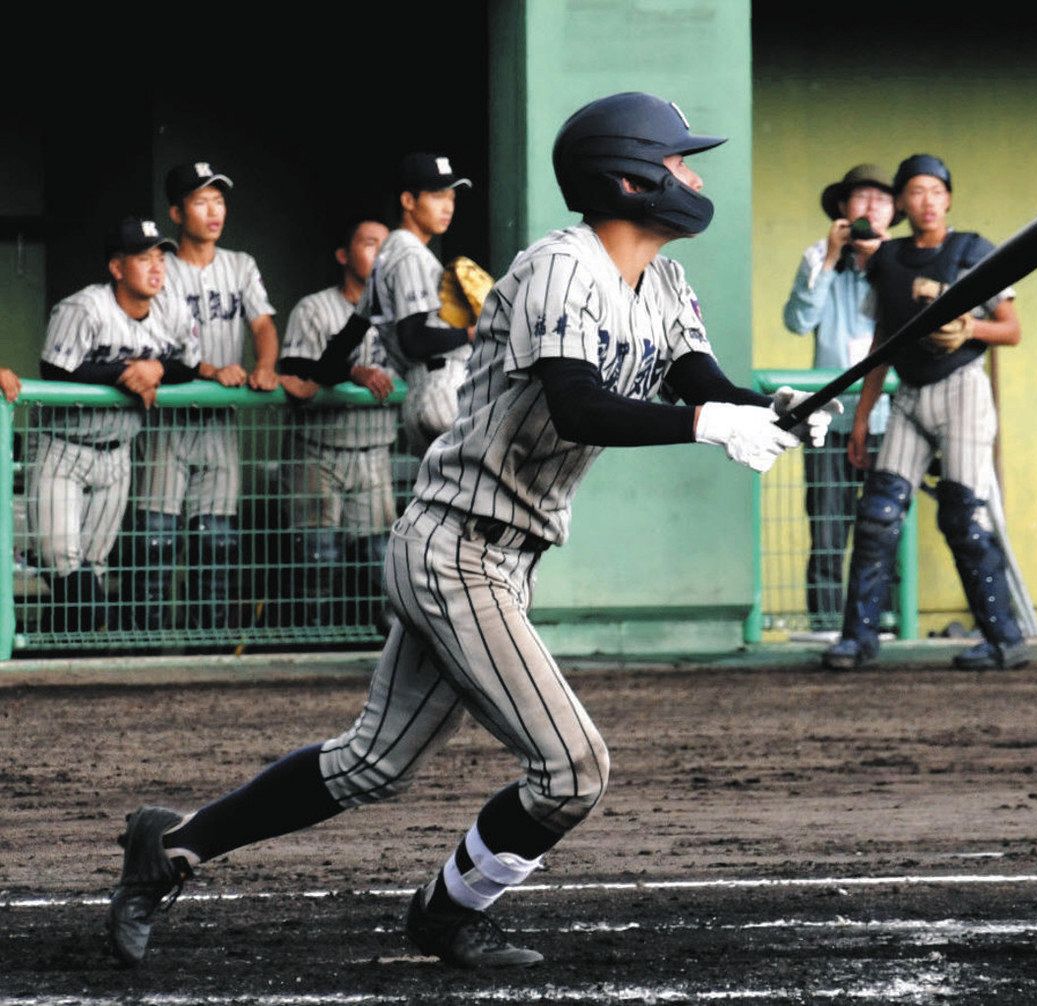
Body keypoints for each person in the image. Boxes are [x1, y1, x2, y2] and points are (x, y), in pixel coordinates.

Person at [105, 91, 835, 971]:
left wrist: (777, 407)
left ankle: (171, 846)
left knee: (371, 765)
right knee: (573, 771)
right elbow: (575, 405)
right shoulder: (561, 267)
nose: (695, 175)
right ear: (630, 179)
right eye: (679, 161)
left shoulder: (665, 280)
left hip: (497, 555)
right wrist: (706, 426)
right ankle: (449, 911)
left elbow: (698, 377)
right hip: (456, 547)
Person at [822, 154, 1030, 671]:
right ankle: (857, 639)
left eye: (936, 191)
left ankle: (1003, 639)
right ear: (902, 202)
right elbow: (881, 340)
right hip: (909, 395)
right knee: (877, 515)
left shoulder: (972, 250)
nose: (927, 201)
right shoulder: (887, 259)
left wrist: (970, 329)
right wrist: (866, 413)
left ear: (949, 198)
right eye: (915, 191)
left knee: (962, 515)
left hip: (961, 390)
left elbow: (1012, 328)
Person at [29, 217, 198, 634]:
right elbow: (54, 369)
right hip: (64, 448)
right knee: (64, 562)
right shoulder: (85, 307)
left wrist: (155, 367)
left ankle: (67, 660)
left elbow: (189, 364)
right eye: (144, 258)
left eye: (161, 257)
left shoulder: (172, 309)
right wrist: (124, 372)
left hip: (118, 452)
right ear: (117, 268)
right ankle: (91, 637)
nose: (157, 267)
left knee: (94, 568)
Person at [135, 162, 279, 632]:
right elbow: (155, 340)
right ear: (177, 212)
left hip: (219, 425)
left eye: (218, 200)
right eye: (201, 201)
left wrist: (264, 366)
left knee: (215, 543)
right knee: (155, 543)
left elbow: (261, 324)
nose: (213, 210)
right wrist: (211, 370)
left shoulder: (241, 265)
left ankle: (208, 644)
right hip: (167, 425)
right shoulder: (162, 267)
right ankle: (147, 642)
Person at [782, 164, 895, 631]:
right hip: (831, 415)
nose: (870, 207)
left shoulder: (900, 259)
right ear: (844, 209)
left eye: (881, 200)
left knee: (886, 520)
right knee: (827, 522)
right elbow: (798, 321)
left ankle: (884, 617)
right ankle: (827, 619)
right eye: (861, 198)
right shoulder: (818, 256)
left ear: (893, 212)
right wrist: (830, 259)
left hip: (888, 414)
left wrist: (881, 262)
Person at [276, 218, 399, 630]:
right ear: (344, 255)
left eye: (385, 246)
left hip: (374, 450)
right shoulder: (314, 309)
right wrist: (353, 372)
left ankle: (379, 653)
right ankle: (313, 646)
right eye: (368, 244)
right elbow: (294, 369)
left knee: (379, 563)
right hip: (318, 450)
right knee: (316, 560)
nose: (379, 254)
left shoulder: (402, 316)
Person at [365, 152, 475, 457]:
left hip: (423, 391)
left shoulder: (386, 255)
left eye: (451, 197)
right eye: (437, 196)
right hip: (441, 388)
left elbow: (351, 331)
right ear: (408, 201)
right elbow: (414, 340)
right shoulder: (409, 253)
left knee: (443, 500)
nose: (447, 207)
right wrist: (470, 333)